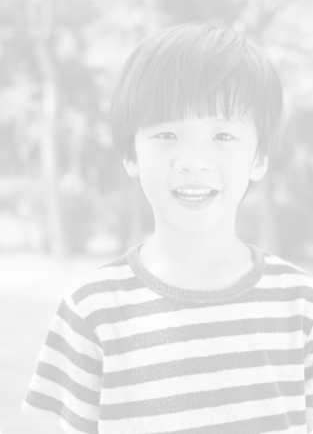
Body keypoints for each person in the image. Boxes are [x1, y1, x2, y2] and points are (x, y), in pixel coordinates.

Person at [22, 22, 313, 434]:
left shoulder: (300, 304)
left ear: (260, 157)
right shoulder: (91, 309)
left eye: (223, 134)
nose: (193, 159)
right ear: (131, 154)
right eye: (167, 134)